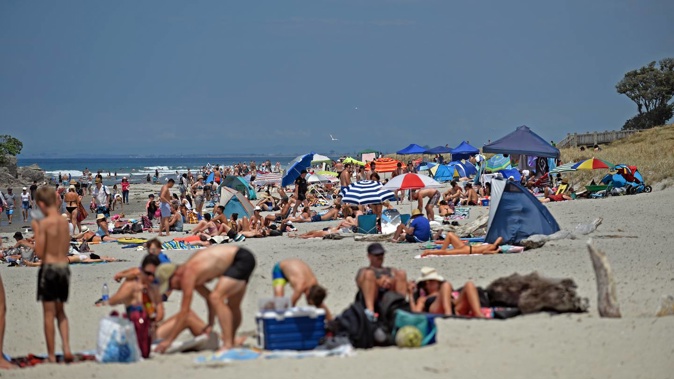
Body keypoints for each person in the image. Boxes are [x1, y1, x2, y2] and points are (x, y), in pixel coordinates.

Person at [154, 246, 256, 354]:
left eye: (170, 285)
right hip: (242, 258)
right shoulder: (193, 274)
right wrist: (210, 324)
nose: (173, 289)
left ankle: (227, 344)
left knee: (217, 297)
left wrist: (169, 341)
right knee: (233, 305)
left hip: (238, 259)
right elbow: (208, 297)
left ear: (174, 275)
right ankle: (231, 340)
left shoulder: (187, 273)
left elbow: (184, 312)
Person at [33, 186, 73, 363]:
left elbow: (40, 252)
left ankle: (51, 355)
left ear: (41, 204)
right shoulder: (64, 222)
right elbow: (65, 248)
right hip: (63, 267)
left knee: (48, 315)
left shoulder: (44, 223)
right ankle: (66, 347)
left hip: (49, 268)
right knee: (61, 312)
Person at [356, 243, 407, 320]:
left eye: (381, 254)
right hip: (373, 297)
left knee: (401, 273)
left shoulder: (390, 270)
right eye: (376, 255)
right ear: (369, 256)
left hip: (389, 297)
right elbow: (359, 282)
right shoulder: (364, 271)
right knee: (369, 275)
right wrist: (378, 282)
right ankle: (370, 312)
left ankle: (401, 307)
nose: (380, 257)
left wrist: (388, 281)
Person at [408, 267, 485, 318]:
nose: (428, 284)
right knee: (446, 285)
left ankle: (478, 314)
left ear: (438, 282)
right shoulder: (423, 299)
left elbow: (455, 302)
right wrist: (410, 294)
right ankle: (448, 315)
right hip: (436, 309)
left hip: (454, 308)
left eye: (431, 281)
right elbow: (416, 313)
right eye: (425, 282)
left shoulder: (445, 290)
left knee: (469, 284)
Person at [422, 232, 503, 256]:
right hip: (466, 248)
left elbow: (485, 252)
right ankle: (439, 251)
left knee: (446, 252)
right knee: (450, 234)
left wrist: (495, 252)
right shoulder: (491, 245)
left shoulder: (492, 247)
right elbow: (500, 238)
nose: (498, 239)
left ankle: (429, 252)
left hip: (467, 250)